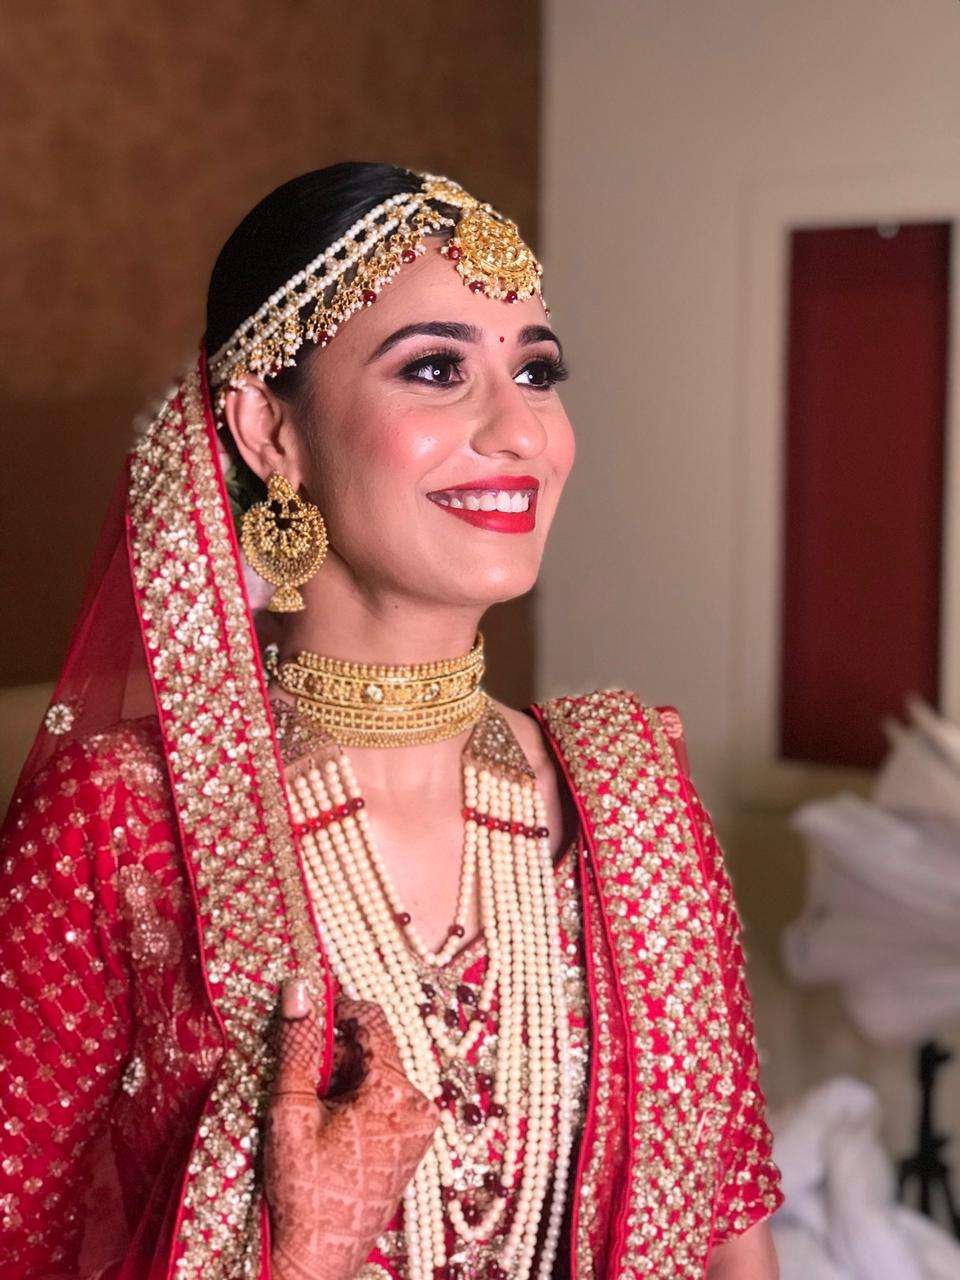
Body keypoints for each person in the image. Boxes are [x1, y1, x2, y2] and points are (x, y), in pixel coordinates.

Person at [0, 163, 782, 1280]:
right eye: (436, 368)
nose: (521, 432)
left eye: (537, 371)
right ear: (268, 429)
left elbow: (726, 1222)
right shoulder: (123, 819)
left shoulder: (632, 795)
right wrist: (301, 1255)